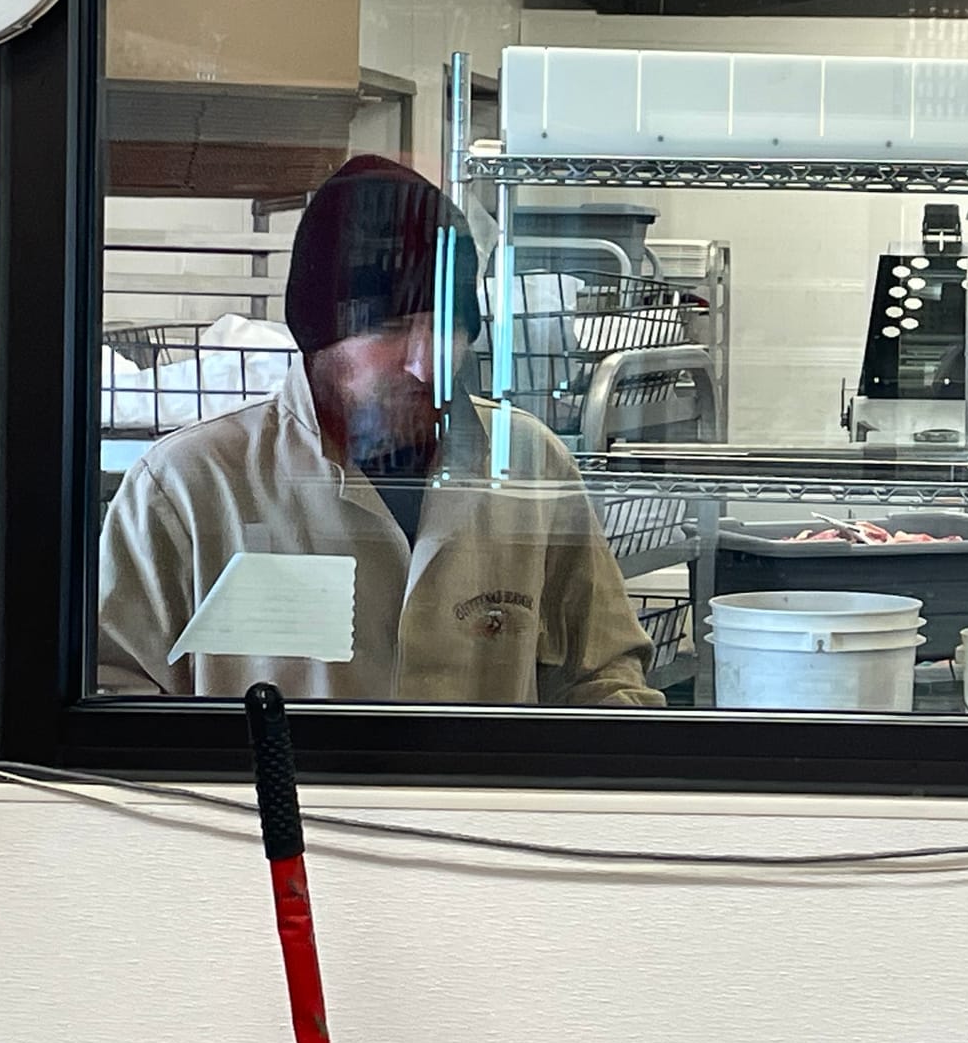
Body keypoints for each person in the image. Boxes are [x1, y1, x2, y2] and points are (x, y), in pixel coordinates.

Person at [98, 155, 664, 706]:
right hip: (266, 803)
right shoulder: (188, 486)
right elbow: (114, 692)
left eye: (447, 326)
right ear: (318, 337)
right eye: (389, 327)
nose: (427, 365)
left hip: (478, 803)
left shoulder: (527, 464)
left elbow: (602, 673)